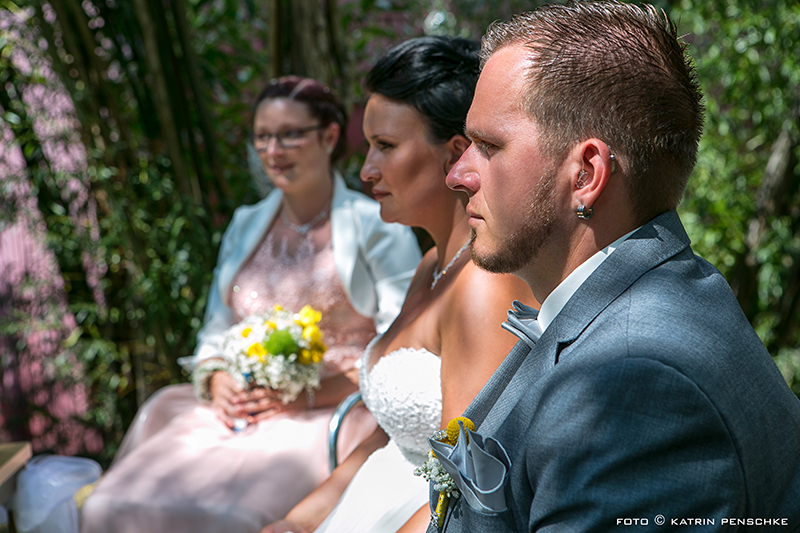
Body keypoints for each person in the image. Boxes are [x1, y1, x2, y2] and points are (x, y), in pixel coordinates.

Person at [423, 2, 800, 531]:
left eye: (488, 146)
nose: (458, 175)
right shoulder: (637, 308)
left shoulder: (635, 383)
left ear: (585, 174)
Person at [80, 76, 423, 533]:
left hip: (327, 414)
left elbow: (403, 341)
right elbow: (215, 328)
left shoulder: (376, 226)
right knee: (109, 504)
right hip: (237, 414)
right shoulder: (245, 224)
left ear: (330, 136)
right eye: (263, 136)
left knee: (236, 518)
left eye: (290, 134)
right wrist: (218, 376)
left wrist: (312, 393)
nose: (273, 149)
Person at [262, 36, 536, 533]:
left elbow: (466, 487)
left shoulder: (483, 288)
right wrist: (297, 522)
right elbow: (387, 440)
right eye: (368, 146)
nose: (367, 170)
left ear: (455, 155)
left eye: (385, 147)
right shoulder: (432, 265)